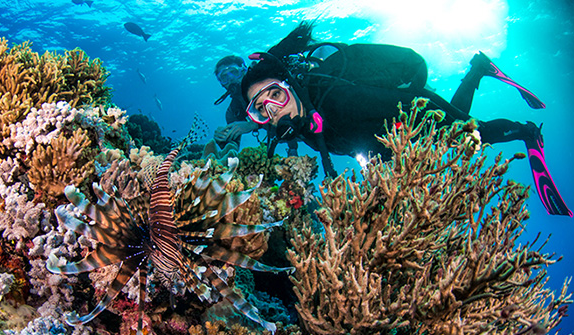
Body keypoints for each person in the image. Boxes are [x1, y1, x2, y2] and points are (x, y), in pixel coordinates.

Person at [239, 22, 570, 217]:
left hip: (412, 110)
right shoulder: (304, 125)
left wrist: (442, 132)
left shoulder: (338, 99)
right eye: (260, 109)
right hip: (397, 133)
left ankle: (527, 133)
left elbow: (410, 102)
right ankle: (478, 70)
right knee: (458, 128)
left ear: (291, 87)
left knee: (473, 133)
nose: (273, 111)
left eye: (276, 96)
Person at [213, 55, 300, 156]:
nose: (231, 79)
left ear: (244, 71)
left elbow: (288, 115)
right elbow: (232, 148)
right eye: (224, 77)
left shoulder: (267, 87)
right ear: (221, 84)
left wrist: (253, 124)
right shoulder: (233, 111)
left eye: (234, 72)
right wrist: (223, 139)